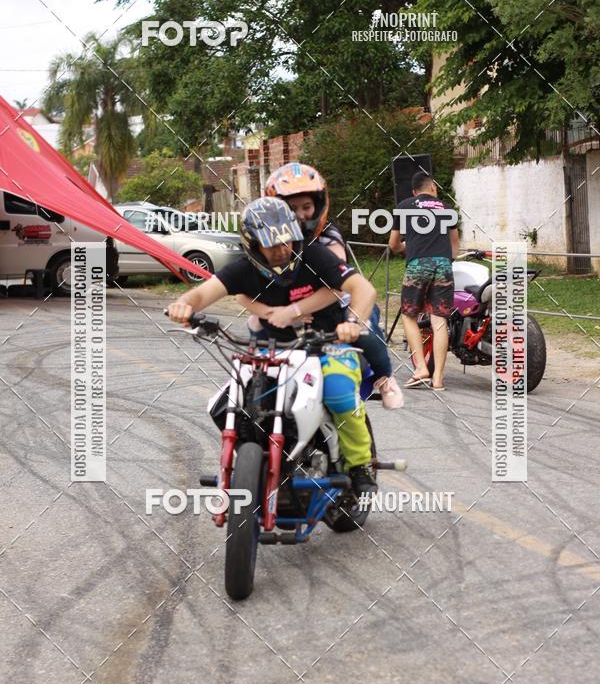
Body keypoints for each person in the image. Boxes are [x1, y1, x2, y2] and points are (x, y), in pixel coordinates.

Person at [167, 196, 378, 498]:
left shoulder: (315, 256)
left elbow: (363, 288)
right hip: (272, 353)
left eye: (286, 241)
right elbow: (201, 295)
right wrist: (182, 304)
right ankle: (257, 464)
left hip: (327, 346)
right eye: (271, 244)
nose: (281, 250)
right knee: (229, 404)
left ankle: (359, 466)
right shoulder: (243, 270)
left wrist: (353, 322)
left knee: (339, 393)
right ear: (253, 245)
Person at [238, 162, 403, 409]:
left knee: (366, 328)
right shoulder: (266, 240)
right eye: (291, 208)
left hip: (336, 307)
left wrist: (299, 310)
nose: (301, 214)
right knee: (253, 323)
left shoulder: (328, 237)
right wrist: (274, 312)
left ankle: (384, 378)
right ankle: (262, 374)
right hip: (291, 309)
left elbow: (338, 288)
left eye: (306, 207)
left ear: (319, 204)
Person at [389, 171, 459, 391]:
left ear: (414, 192)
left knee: (409, 316)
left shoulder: (404, 205)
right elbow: (454, 242)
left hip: (418, 265)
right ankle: (438, 378)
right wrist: (449, 260)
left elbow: (393, 244)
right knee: (439, 322)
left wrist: (404, 248)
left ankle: (421, 368)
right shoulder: (447, 208)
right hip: (443, 266)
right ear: (433, 188)